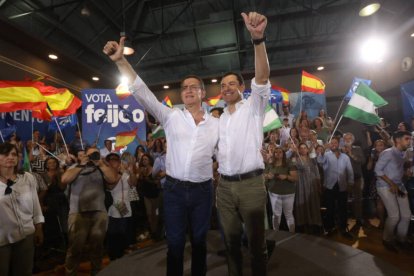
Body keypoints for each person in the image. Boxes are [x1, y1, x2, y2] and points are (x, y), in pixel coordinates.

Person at [104, 36, 219, 276]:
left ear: (203, 93)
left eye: (193, 87)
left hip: (203, 191)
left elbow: (226, 153)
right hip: (175, 191)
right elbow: (141, 90)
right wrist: (121, 62)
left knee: (199, 242)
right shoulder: (170, 116)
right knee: (175, 244)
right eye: (184, 88)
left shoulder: (216, 124)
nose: (187, 90)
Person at [216, 12, 270, 276]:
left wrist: (257, 40)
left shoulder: (254, 107)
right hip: (224, 188)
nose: (226, 88)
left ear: (240, 87)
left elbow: (262, 76)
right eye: (222, 85)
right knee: (230, 244)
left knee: (257, 246)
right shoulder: (219, 119)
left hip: (251, 185)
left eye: (231, 84)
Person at [61, 148, 118, 275]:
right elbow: (64, 179)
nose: (93, 156)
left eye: (96, 153)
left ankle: (97, 272)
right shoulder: (76, 166)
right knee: (76, 247)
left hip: (99, 211)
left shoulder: (102, 167)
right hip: (78, 212)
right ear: (85, 155)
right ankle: (70, 273)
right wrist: (82, 163)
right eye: (91, 154)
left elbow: (113, 179)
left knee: (97, 246)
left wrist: (101, 164)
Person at [0, 142, 44, 276]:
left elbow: (36, 205)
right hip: (2, 240)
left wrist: (39, 228)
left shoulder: (27, 178)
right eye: (5, 154)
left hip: (26, 235)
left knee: (24, 272)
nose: (10, 157)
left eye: (13, 154)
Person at [375, 131, 413, 252]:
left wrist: (406, 173)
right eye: (407, 139)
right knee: (394, 216)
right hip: (384, 186)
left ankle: (401, 239)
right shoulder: (388, 153)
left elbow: (398, 170)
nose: (410, 141)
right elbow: (378, 171)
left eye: (410, 139)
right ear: (397, 140)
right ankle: (387, 239)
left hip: (399, 185)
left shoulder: (403, 154)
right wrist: (391, 183)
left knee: (406, 215)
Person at [317, 136, 354, 239]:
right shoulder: (327, 155)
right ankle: (330, 228)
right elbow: (320, 161)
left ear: (339, 144)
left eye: (335, 143)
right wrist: (322, 150)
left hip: (342, 186)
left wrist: (350, 183)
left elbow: (350, 171)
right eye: (331, 143)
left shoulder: (345, 157)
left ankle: (343, 229)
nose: (333, 144)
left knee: (343, 208)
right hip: (329, 186)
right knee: (330, 208)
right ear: (329, 144)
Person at [106, 152, 137, 260]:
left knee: (124, 230)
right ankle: (115, 253)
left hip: (127, 204)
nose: (116, 163)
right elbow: (111, 185)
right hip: (116, 205)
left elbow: (133, 183)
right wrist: (121, 172)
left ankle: (122, 249)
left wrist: (131, 171)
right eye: (112, 161)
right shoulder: (108, 175)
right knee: (115, 231)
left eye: (117, 160)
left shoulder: (124, 173)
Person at [264, 147, 298, 232]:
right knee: (276, 215)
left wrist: (286, 176)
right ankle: (276, 233)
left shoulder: (289, 163)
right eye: (276, 152)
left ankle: (292, 233)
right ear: (274, 154)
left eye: (280, 152)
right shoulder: (270, 164)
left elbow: (295, 178)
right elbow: (263, 176)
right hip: (274, 193)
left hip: (288, 193)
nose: (278, 154)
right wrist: (268, 176)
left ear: (283, 154)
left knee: (289, 214)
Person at [295, 143, 322, 234]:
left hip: (312, 183)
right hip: (301, 184)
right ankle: (303, 223)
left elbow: (316, 171)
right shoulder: (295, 159)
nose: (303, 150)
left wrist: (318, 183)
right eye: (301, 148)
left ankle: (314, 222)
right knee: (302, 201)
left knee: (313, 202)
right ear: (298, 150)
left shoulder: (312, 159)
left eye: (304, 148)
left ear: (307, 149)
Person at [342, 132, 366, 226]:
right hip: (344, 178)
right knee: (344, 199)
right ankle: (344, 218)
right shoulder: (340, 150)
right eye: (345, 139)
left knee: (358, 199)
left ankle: (358, 218)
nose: (347, 140)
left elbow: (362, 161)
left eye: (349, 139)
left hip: (357, 177)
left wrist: (351, 154)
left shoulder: (358, 149)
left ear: (353, 140)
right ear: (343, 140)